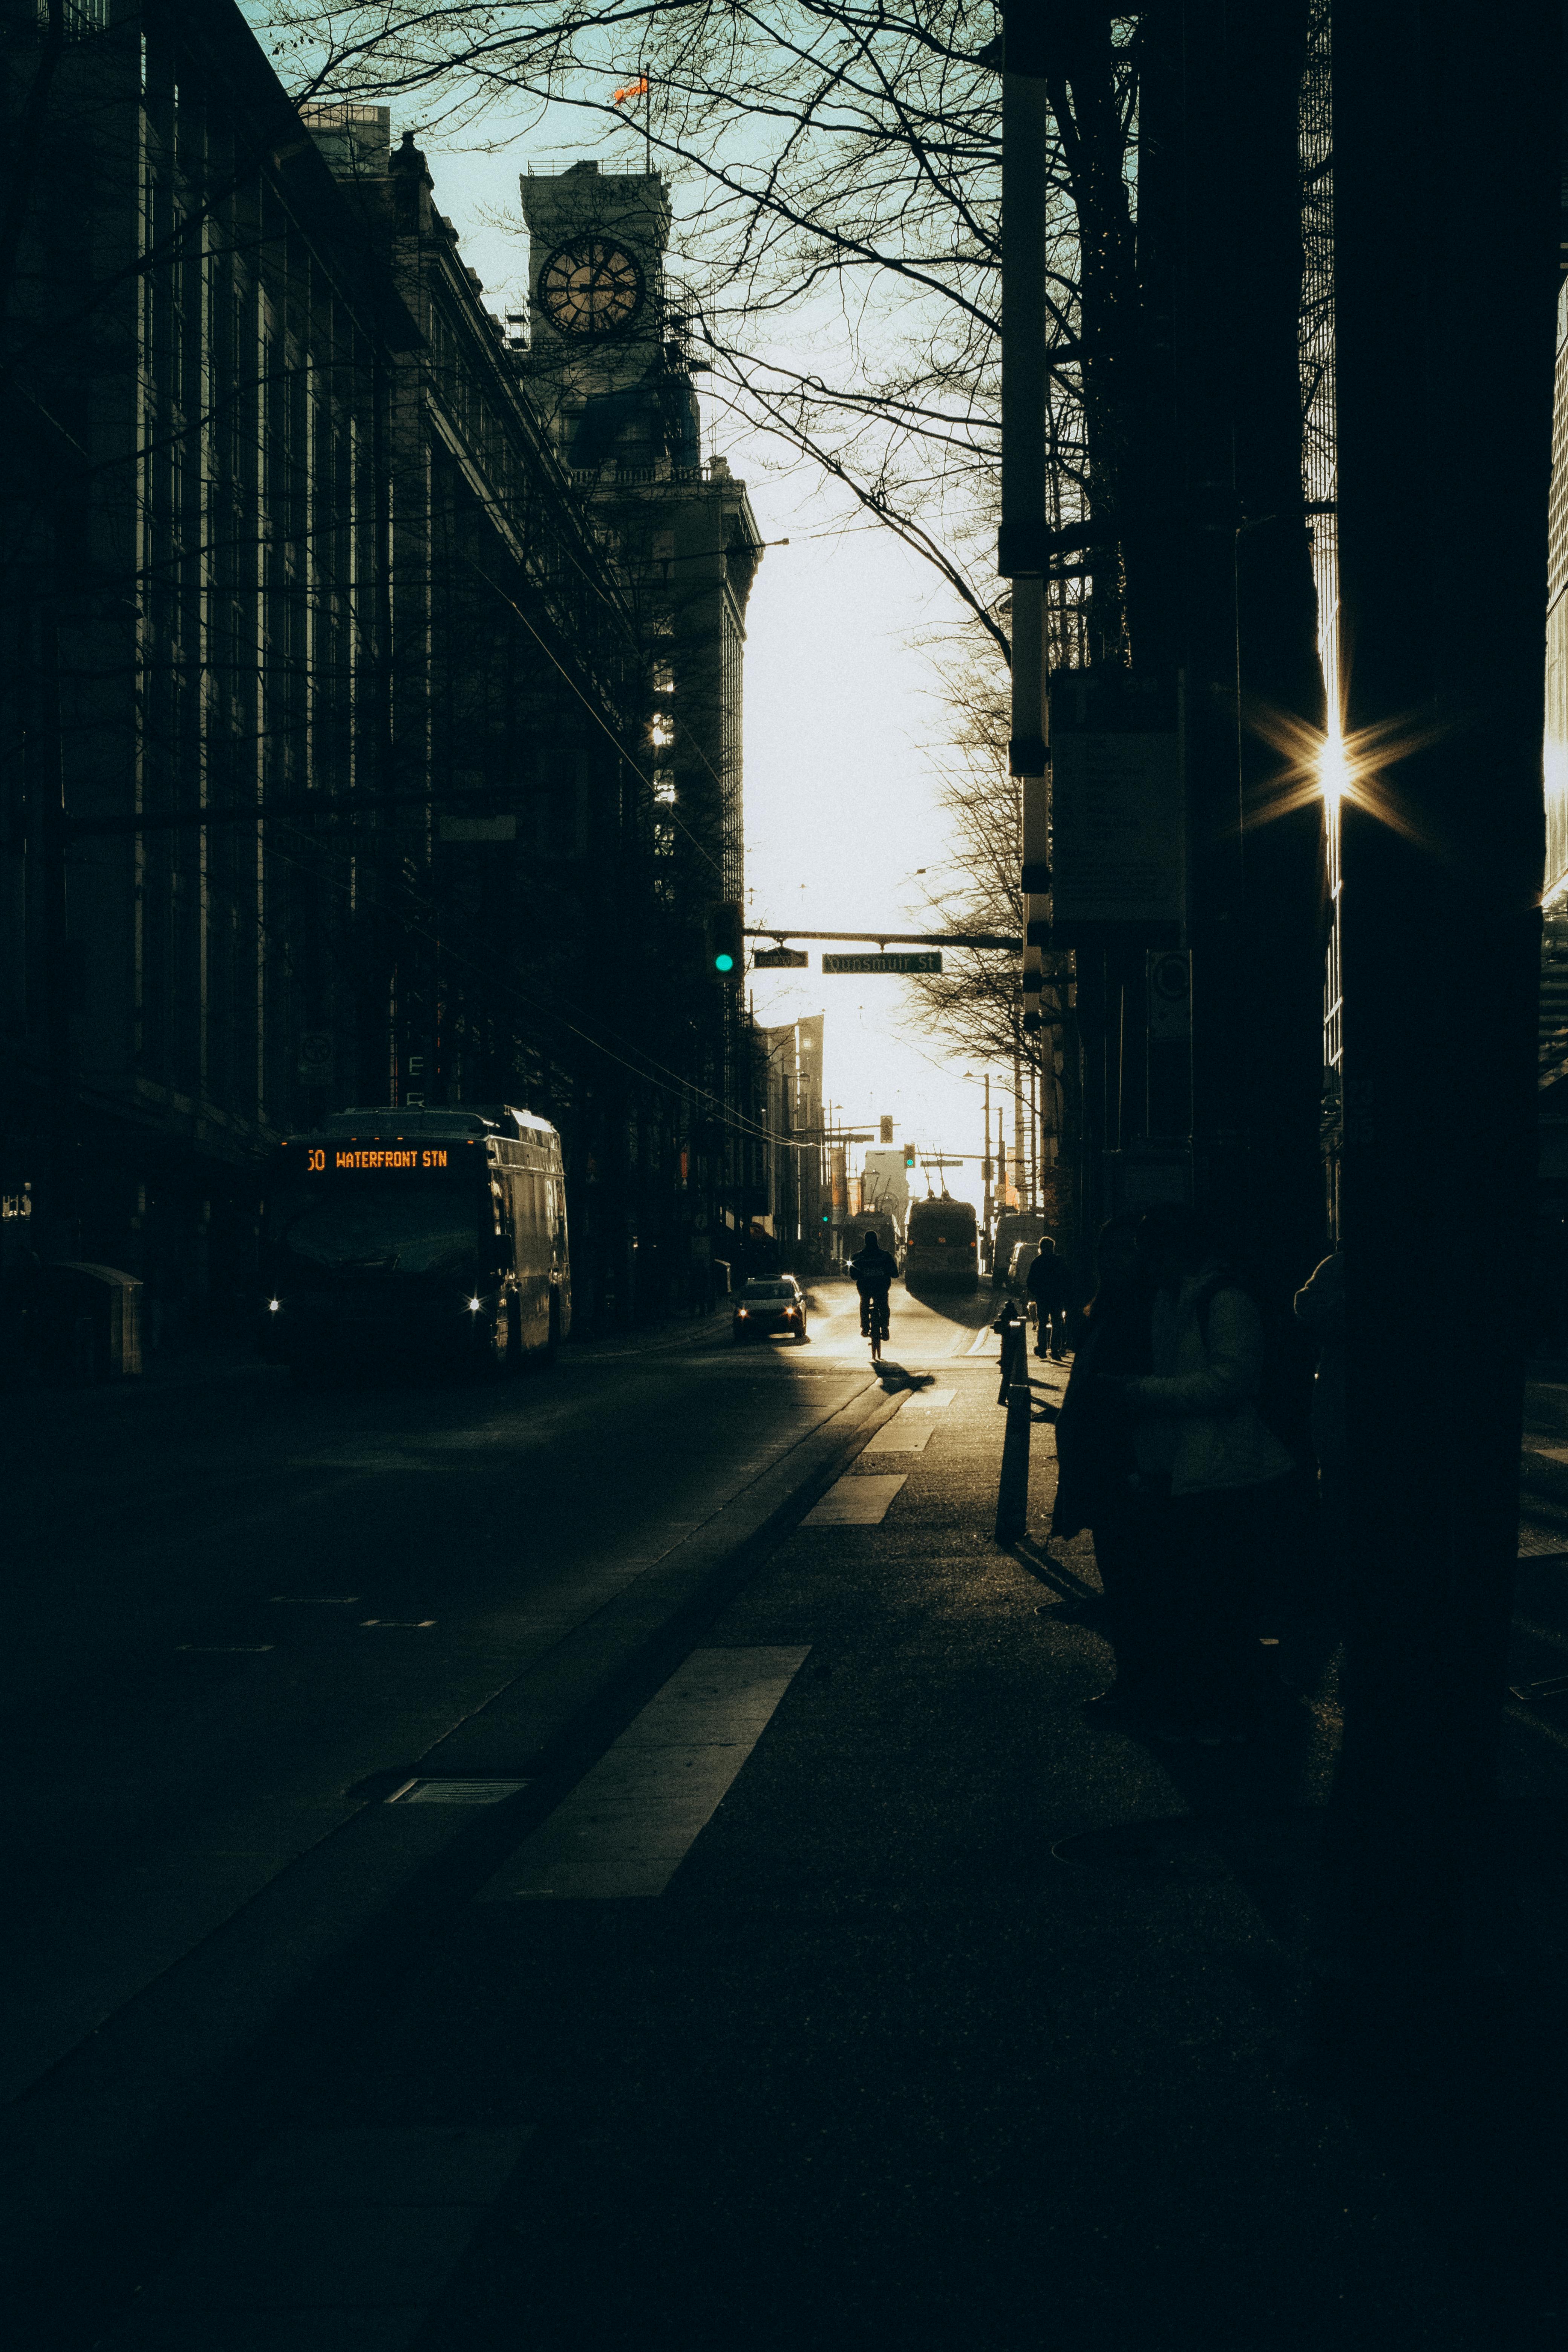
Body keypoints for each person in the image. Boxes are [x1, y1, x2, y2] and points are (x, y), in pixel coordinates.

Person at [1110, 1202, 1294, 1744]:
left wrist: (1143, 1393)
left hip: (1227, 1472)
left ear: (1174, 1253)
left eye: (1150, 1254)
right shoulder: (1175, 1298)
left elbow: (1231, 1381)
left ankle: (1234, 1717)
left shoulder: (1223, 1299)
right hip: (1188, 1471)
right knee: (1202, 1601)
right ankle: (1218, 1709)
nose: (1144, 1266)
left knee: (1220, 1604)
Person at [1050, 1214, 1159, 1720]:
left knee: (1134, 1581)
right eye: (1107, 1250)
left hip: (1128, 1464)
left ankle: (1140, 1684)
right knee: (1122, 1578)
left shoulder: (1145, 1309)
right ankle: (1133, 1679)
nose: (1114, 1259)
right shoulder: (1107, 1308)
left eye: (1126, 1249)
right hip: (1103, 1459)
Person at [1026, 1235, 1072, 1360]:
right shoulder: (1059, 1261)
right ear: (1052, 1248)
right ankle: (1055, 1349)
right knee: (1057, 1324)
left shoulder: (1037, 1262)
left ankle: (1042, 1348)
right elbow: (1067, 1279)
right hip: (1056, 1297)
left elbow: (1030, 1282)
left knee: (1042, 1324)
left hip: (1043, 1298)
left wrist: (1037, 1293)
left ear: (1040, 1248)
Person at [849, 1228, 896, 1343]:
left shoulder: (858, 1257)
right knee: (884, 1305)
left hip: (865, 1287)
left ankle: (865, 1327)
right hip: (882, 1287)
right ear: (877, 1241)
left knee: (864, 1303)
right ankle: (885, 1328)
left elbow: (854, 1276)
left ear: (865, 1242)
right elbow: (895, 1273)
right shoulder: (885, 1256)